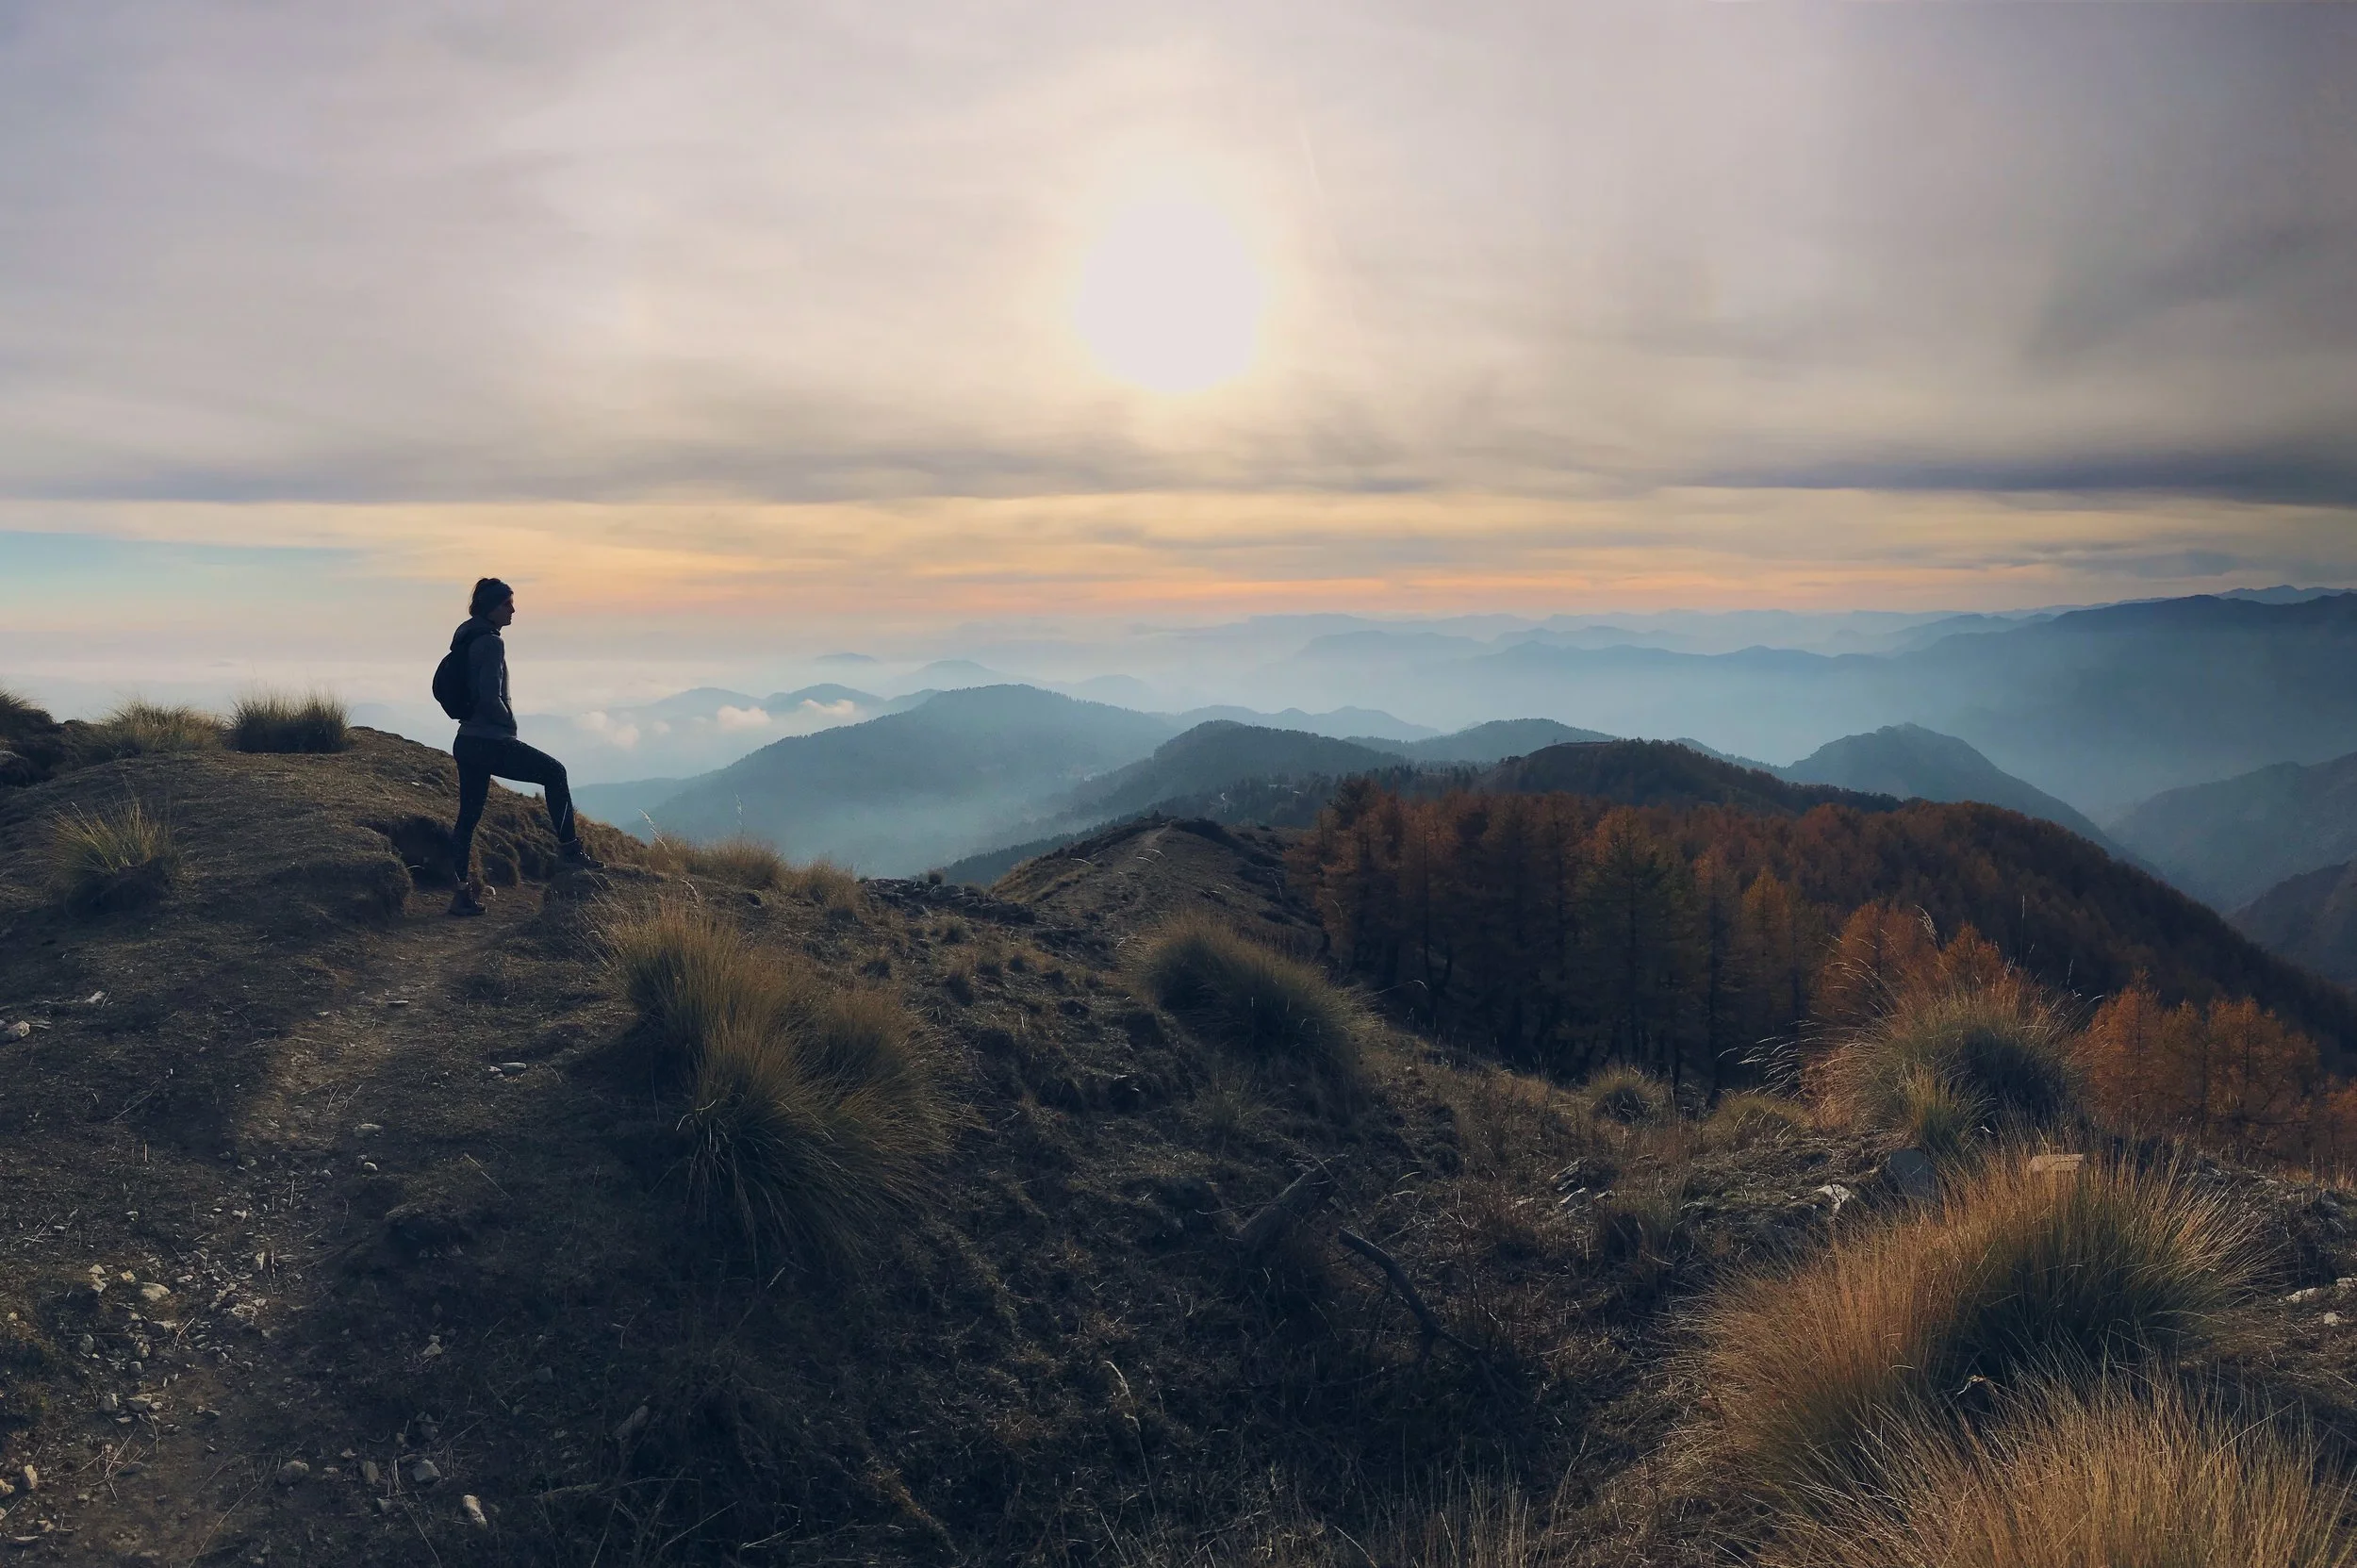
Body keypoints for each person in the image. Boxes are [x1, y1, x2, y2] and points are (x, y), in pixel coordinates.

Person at [445, 577, 602, 916]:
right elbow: (490, 696)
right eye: (507, 604)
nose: (513, 610)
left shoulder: (466, 636)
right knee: (555, 773)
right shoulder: (491, 643)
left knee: (467, 818)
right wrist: (507, 721)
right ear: (491, 607)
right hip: (490, 740)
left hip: (466, 741)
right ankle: (571, 851)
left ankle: (460, 895)